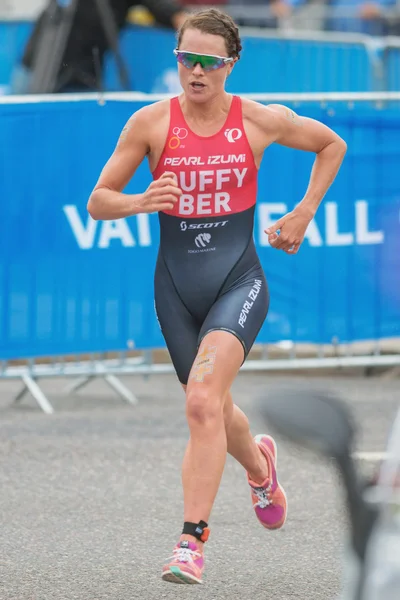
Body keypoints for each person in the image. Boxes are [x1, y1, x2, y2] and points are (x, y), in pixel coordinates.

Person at [87, 7, 347, 585]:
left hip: (238, 280)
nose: (196, 71)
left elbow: (331, 145)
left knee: (201, 402)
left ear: (230, 64)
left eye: (209, 61)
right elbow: (98, 200)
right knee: (215, 406)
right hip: (176, 288)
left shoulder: (258, 120)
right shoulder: (150, 124)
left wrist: (303, 212)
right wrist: (138, 202)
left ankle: (191, 542)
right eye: (186, 59)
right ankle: (260, 466)